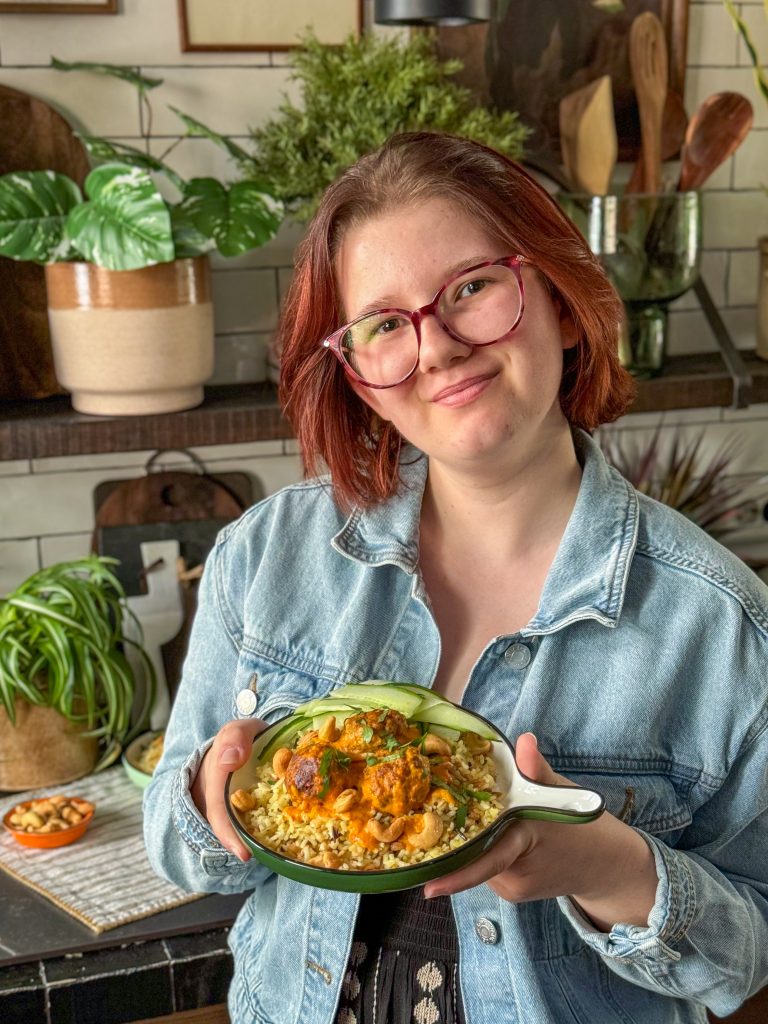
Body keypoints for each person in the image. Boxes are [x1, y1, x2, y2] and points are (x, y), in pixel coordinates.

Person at [143, 131, 768, 1024]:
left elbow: (747, 960)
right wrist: (215, 789)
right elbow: (171, 839)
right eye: (385, 324)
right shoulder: (265, 553)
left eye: (471, 287)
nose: (433, 348)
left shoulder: (723, 626)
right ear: (359, 374)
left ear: (555, 294)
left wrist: (606, 866)